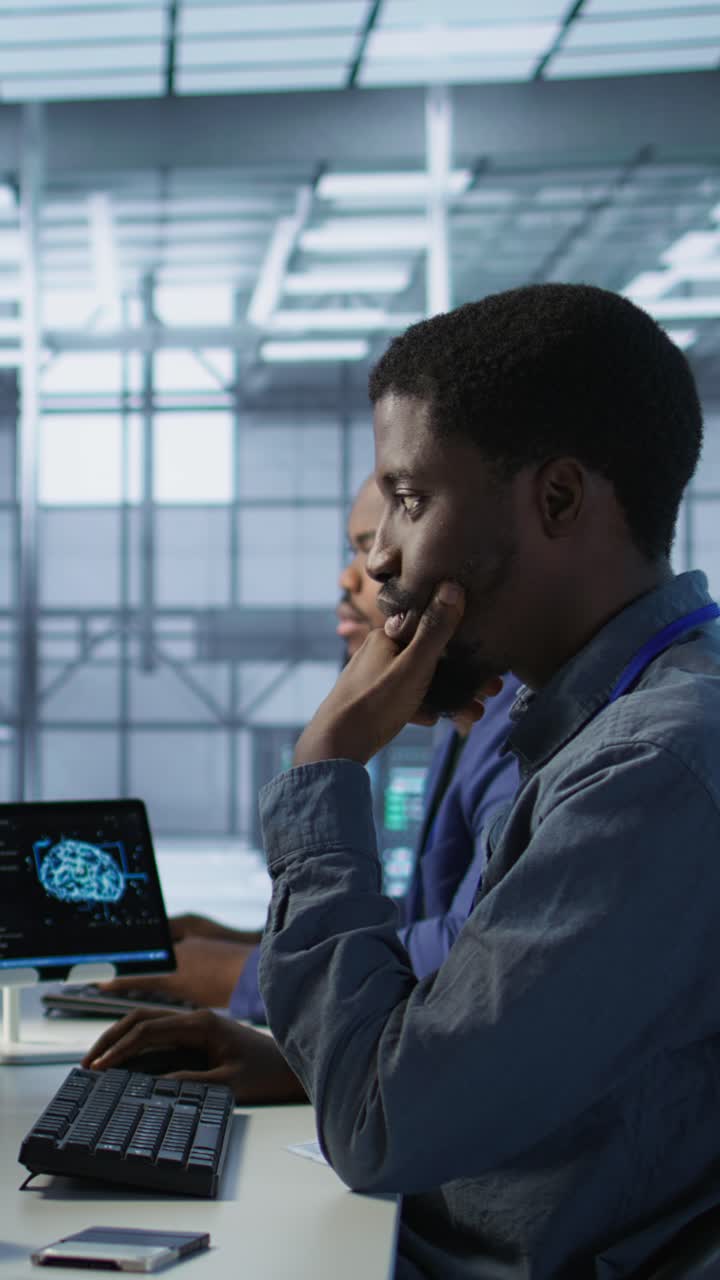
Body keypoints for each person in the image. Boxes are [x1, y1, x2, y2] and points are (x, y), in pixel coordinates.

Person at [85, 281, 720, 1279]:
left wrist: (325, 766)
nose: (379, 557)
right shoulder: (604, 730)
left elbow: (384, 1126)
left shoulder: (648, 767)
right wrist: (303, 1058)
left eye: (411, 501)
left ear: (558, 500)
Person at [99, 477, 519, 1016]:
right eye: (361, 548)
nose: (353, 576)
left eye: (373, 545)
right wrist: (260, 942)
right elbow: (427, 916)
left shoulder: (516, 730)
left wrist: (234, 974)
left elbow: (471, 948)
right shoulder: (462, 728)